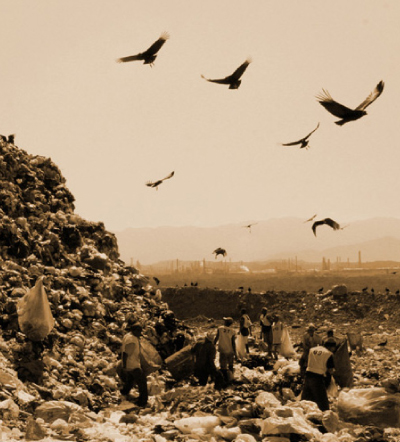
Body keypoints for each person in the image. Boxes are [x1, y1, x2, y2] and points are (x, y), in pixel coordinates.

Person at [117, 320, 148, 407]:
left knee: (130, 380)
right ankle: (142, 401)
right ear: (134, 330)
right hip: (133, 365)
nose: (140, 333)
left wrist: (125, 365)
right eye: (139, 331)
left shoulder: (128, 335)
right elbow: (126, 353)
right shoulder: (132, 340)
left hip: (129, 365)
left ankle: (124, 392)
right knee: (142, 382)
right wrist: (124, 365)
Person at [301, 337, 337, 411]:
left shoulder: (312, 349)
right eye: (334, 348)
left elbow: (303, 360)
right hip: (318, 378)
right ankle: (326, 417)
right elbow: (330, 370)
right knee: (323, 402)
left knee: (305, 399)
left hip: (308, 376)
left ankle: (302, 414)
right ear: (331, 347)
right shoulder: (328, 354)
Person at [214, 317, 237, 385]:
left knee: (223, 366)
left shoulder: (220, 328)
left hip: (222, 350)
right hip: (230, 350)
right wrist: (235, 353)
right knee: (230, 365)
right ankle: (231, 378)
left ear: (225, 322)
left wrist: (213, 344)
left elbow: (216, 338)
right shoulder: (233, 331)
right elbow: (233, 343)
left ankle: (224, 380)